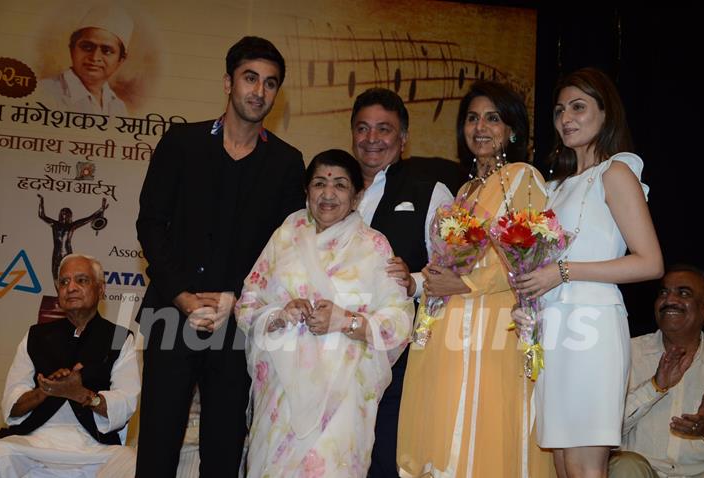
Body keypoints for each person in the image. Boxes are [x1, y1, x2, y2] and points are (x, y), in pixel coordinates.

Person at [135, 36, 305, 477]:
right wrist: (183, 297)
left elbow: (280, 249)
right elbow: (151, 225)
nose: (259, 91)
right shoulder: (181, 143)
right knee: (156, 445)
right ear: (228, 82)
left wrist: (236, 296)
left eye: (270, 84)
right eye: (250, 78)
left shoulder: (287, 163)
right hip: (171, 315)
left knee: (225, 449)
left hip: (240, 322)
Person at [397, 80, 556, 478]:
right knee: (448, 428)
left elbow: (526, 261)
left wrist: (466, 285)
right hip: (452, 325)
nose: (480, 127)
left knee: (484, 433)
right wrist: (435, 275)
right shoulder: (466, 189)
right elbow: (457, 258)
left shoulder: (524, 177)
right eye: (472, 118)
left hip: (494, 327)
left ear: (513, 129)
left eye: (492, 118)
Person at [511, 67, 664, 477]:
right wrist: (528, 299)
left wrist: (561, 272)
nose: (566, 118)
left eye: (578, 107)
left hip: (592, 327)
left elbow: (650, 262)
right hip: (553, 331)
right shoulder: (555, 187)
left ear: (605, 113)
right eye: (560, 110)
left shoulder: (615, 173)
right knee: (563, 465)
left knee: (585, 468)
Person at [236, 149, 414, 477]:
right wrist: (280, 313)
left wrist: (346, 321)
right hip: (281, 394)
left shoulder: (374, 246)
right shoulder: (285, 237)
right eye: (319, 183)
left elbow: (400, 322)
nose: (328, 194)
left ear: (357, 196)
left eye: (340, 185)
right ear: (307, 191)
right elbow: (246, 306)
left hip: (344, 397)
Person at [348, 87, 461, 478]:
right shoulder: (333, 188)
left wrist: (412, 282)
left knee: (385, 459)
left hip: (399, 356)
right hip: (334, 351)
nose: (372, 138)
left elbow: (454, 271)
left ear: (403, 138)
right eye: (363, 128)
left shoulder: (430, 191)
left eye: (384, 129)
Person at [0, 253, 139, 477]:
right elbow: (11, 405)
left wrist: (81, 394)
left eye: (81, 280)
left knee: (132, 463)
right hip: (33, 443)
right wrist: (43, 392)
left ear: (101, 289)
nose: (70, 287)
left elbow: (125, 403)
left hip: (94, 449)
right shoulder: (36, 335)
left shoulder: (120, 338)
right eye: (64, 282)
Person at [608, 264, 704, 478]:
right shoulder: (626, 353)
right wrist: (655, 387)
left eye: (684, 293)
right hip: (640, 472)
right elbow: (601, 433)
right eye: (663, 293)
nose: (670, 300)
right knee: (626, 466)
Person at [39, 4, 133, 115]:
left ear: (120, 60)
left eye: (106, 51)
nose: (94, 57)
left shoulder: (118, 106)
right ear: (72, 49)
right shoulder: (43, 92)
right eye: (87, 47)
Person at [37, 194, 108, 281]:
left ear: (70, 216)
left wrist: (100, 210)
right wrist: (41, 201)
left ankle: (65, 292)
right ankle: (59, 293)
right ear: (59, 214)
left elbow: (88, 219)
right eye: (62, 212)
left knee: (67, 274)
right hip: (56, 254)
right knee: (55, 274)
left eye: (66, 213)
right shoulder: (54, 224)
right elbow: (41, 215)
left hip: (67, 254)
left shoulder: (72, 226)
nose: (64, 215)